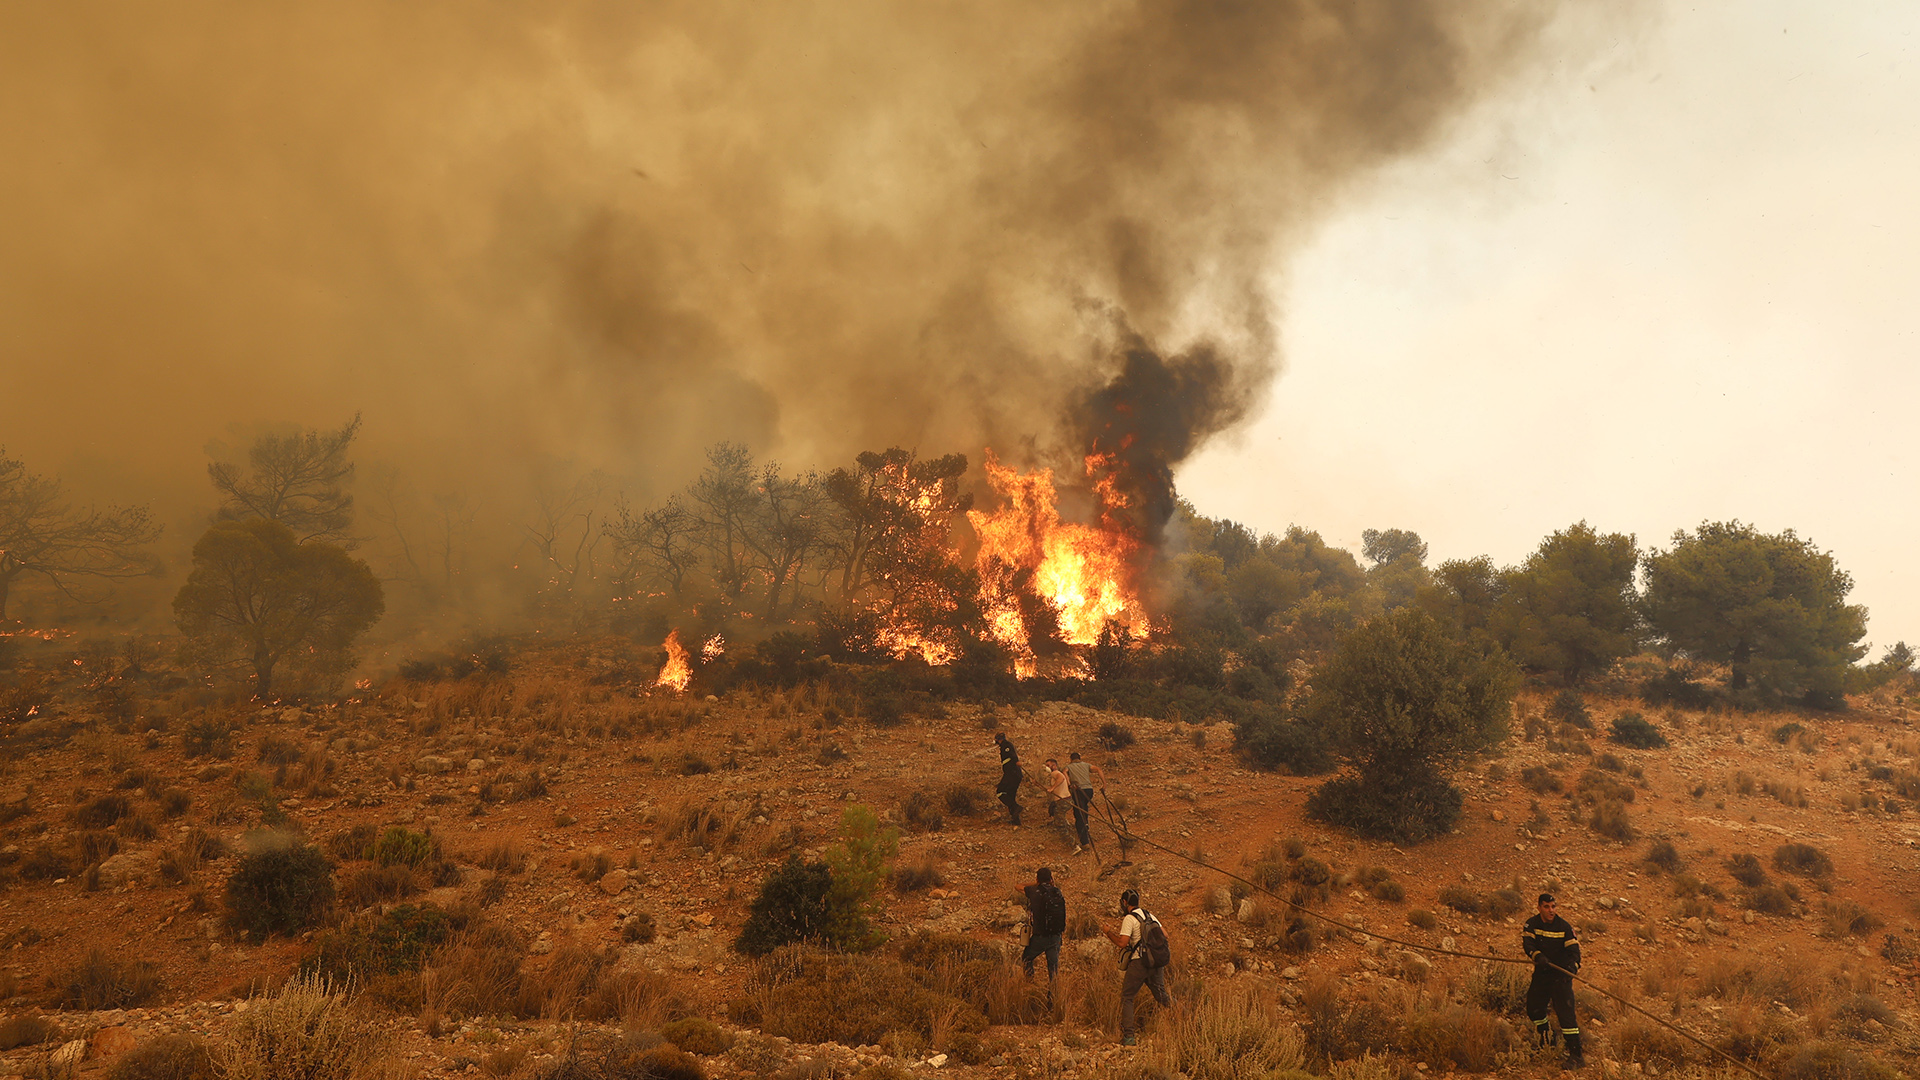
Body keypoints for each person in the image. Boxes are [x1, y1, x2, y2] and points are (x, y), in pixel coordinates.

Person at [1522, 892, 1584, 1069]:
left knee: (1566, 1016)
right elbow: (1528, 945)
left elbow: (1574, 952)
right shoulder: (1531, 924)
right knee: (1534, 1010)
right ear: (1539, 907)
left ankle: (1576, 1056)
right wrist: (1538, 956)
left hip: (1561, 977)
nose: (1551, 910)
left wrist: (1572, 967)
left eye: (1553, 906)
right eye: (1547, 907)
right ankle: (1547, 1040)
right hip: (1542, 975)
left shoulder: (1564, 927)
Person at [1102, 888, 1170, 1046]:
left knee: (1127, 997)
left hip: (1140, 962)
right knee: (1162, 996)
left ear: (1125, 903)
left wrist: (1108, 932)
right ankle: (1187, 1017)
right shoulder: (1149, 915)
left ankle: (1129, 1037)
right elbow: (1165, 935)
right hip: (1156, 962)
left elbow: (1122, 942)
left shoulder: (1129, 919)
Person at [1022, 867, 1066, 992]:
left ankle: (1030, 986)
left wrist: (1036, 883)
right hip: (1056, 936)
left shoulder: (1033, 891)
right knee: (1053, 969)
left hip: (1040, 937)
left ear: (1037, 879)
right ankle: (1053, 999)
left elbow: (1017, 886)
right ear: (1051, 879)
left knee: (1027, 958)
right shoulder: (1057, 892)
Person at [1065, 751, 1106, 854]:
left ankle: (1085, 842)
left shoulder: (1069, 767)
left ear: (1071, 759)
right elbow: (1099, 770)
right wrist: (1104, 784)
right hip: (1088, 791)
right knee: (1084, 808)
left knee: (1079, 814)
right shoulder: (1087, 765)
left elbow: (1064, 773)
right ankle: (1086, 825)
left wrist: (1069, 784)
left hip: (1078, 791)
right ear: (1080, 758)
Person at [994, 731, 1023, 826]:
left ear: (998, 740)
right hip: (1014, 774)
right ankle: (1015, 820)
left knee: (1000, 792)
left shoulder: (1006, 745)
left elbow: (1012, 755)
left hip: (1012, 773)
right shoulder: (1005, 745)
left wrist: (1017, 761)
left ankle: (1016, 807)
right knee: (1010, 795)